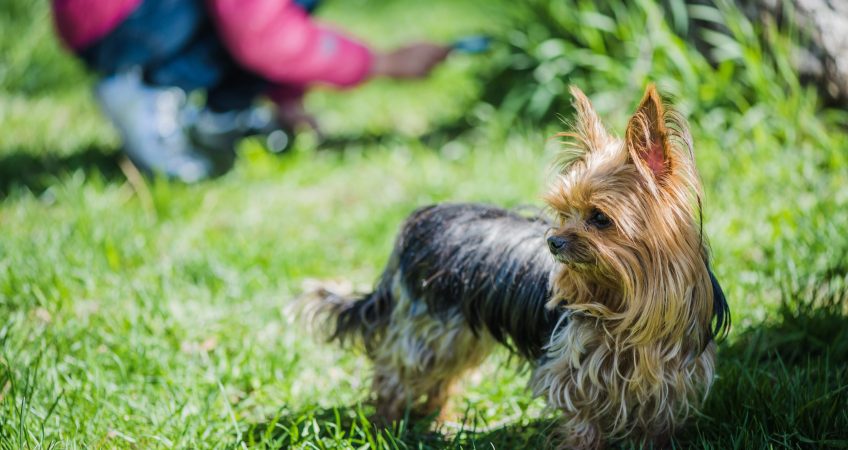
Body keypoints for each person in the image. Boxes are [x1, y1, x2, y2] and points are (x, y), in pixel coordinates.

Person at [52, 0, 451, 182]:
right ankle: (146, 90)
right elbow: (258, 32)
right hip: (128, 20)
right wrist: (383, 63)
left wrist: (286, 97)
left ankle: (222, 116)